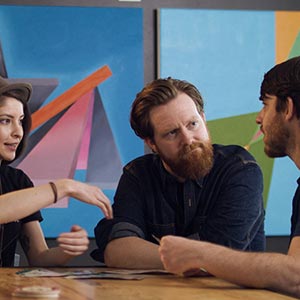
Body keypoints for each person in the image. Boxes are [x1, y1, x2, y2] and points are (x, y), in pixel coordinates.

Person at [158, 56, 300, 298]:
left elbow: (296, 277)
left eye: (266, 104)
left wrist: (199, 254)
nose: (259, 117)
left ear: (287, 108)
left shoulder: (239, 167)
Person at [91, 77, 265, 269]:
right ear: (151, 143)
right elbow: (118, 251)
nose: (188, 139)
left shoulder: (240, 169)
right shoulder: (138, 175)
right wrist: (193, 258)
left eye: (193, 124)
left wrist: (146, 252)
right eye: (172, 133)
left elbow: (222, 255)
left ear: (204, 119)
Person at [0, 76, 113, 267]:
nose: (18, 132)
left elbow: (39, 257)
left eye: (20, 121)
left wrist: (66, 251)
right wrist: (64, 187)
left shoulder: (17, 181)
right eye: (5, 121)